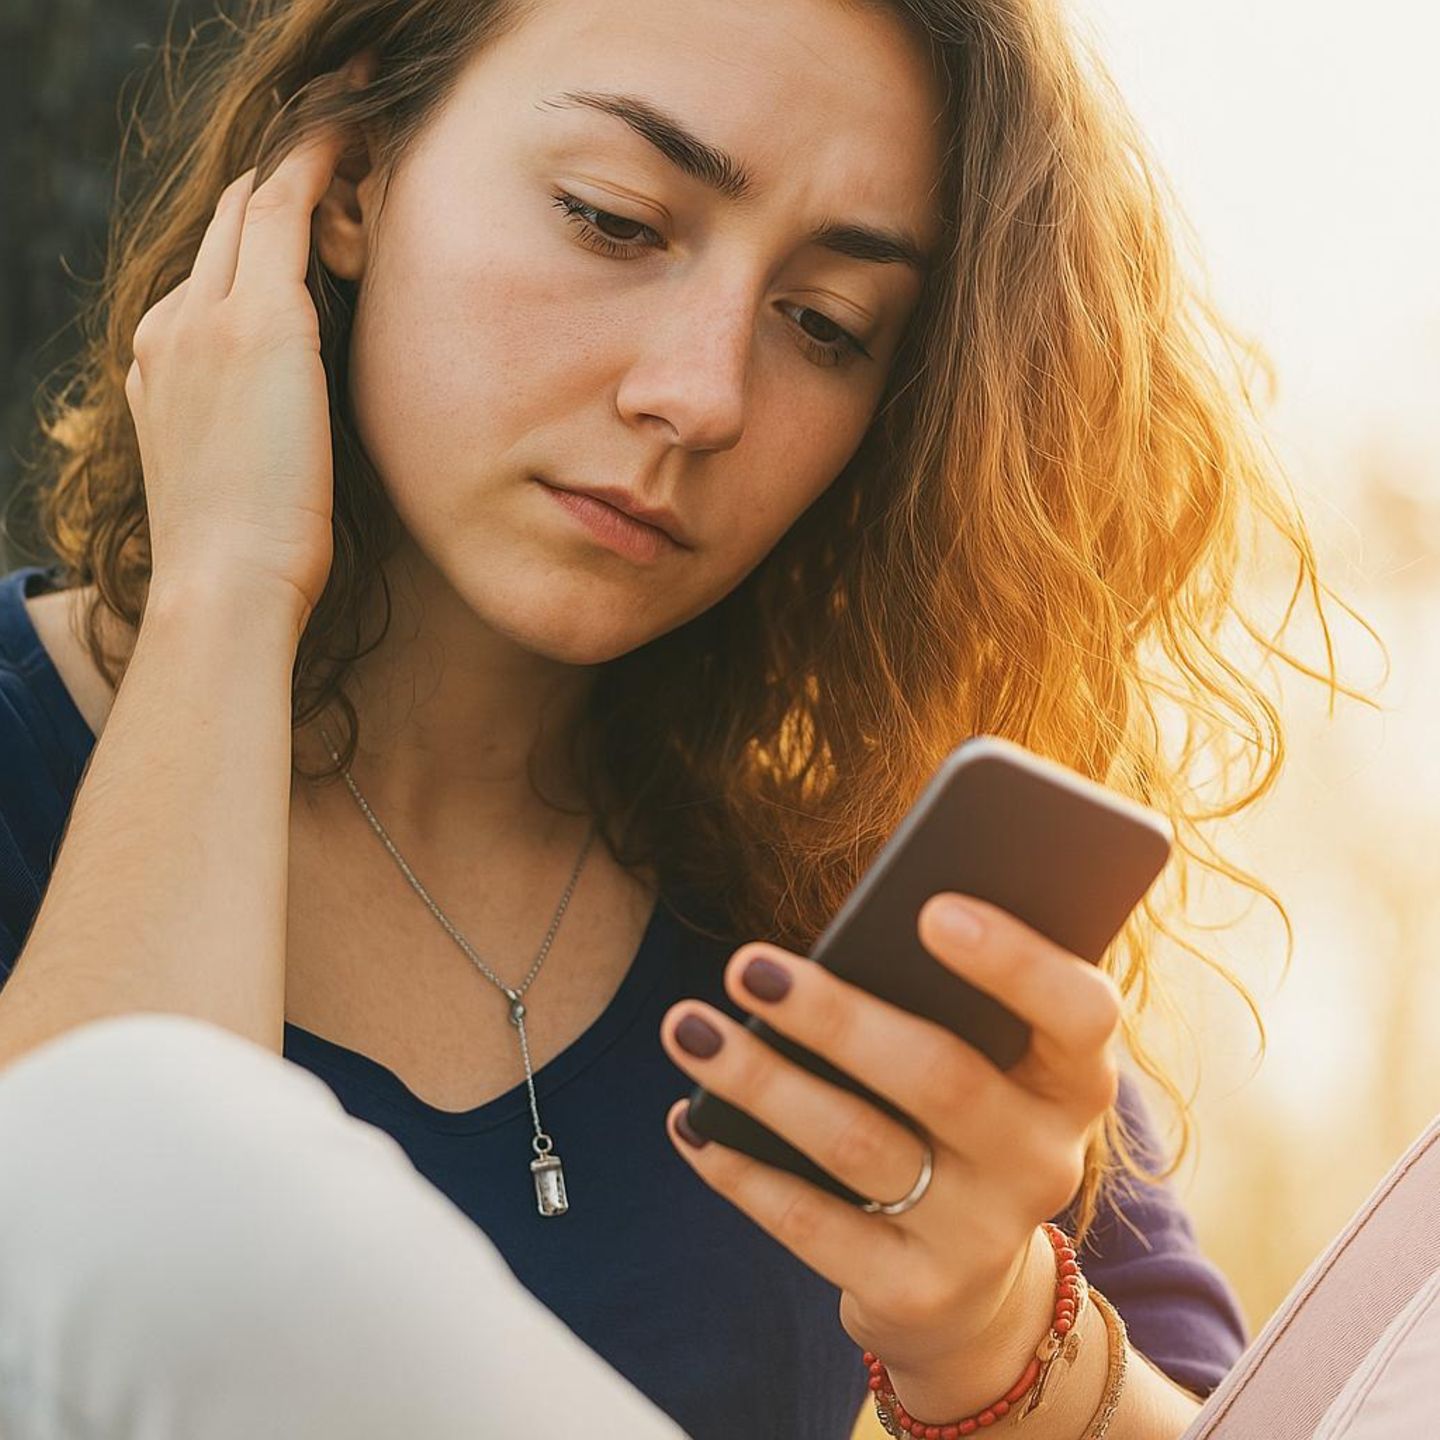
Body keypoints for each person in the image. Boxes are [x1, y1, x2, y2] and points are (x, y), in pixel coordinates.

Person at [0, 0, 1348, 1434]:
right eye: (614, 219)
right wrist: (228, 584)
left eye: (827, 326)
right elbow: (91, 1243)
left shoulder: (841, 908)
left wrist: (984, 1320)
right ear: (350, 177)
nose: (701, 395)